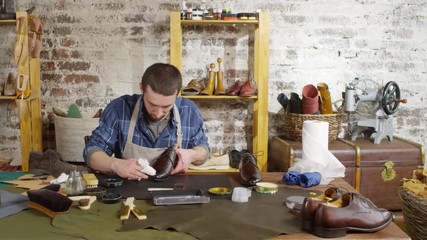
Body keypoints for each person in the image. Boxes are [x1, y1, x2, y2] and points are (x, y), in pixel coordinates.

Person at [83, 63, 210, 180]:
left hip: (174, 191)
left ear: (177, 94)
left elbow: (203, 149)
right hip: (129, 190)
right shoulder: (119, 108)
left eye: (166, 107)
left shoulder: (188, 111)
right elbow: (91, 152)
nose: (159, 113)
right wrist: (115, 164)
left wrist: (193, 155)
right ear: (141, 89)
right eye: (152, 104)